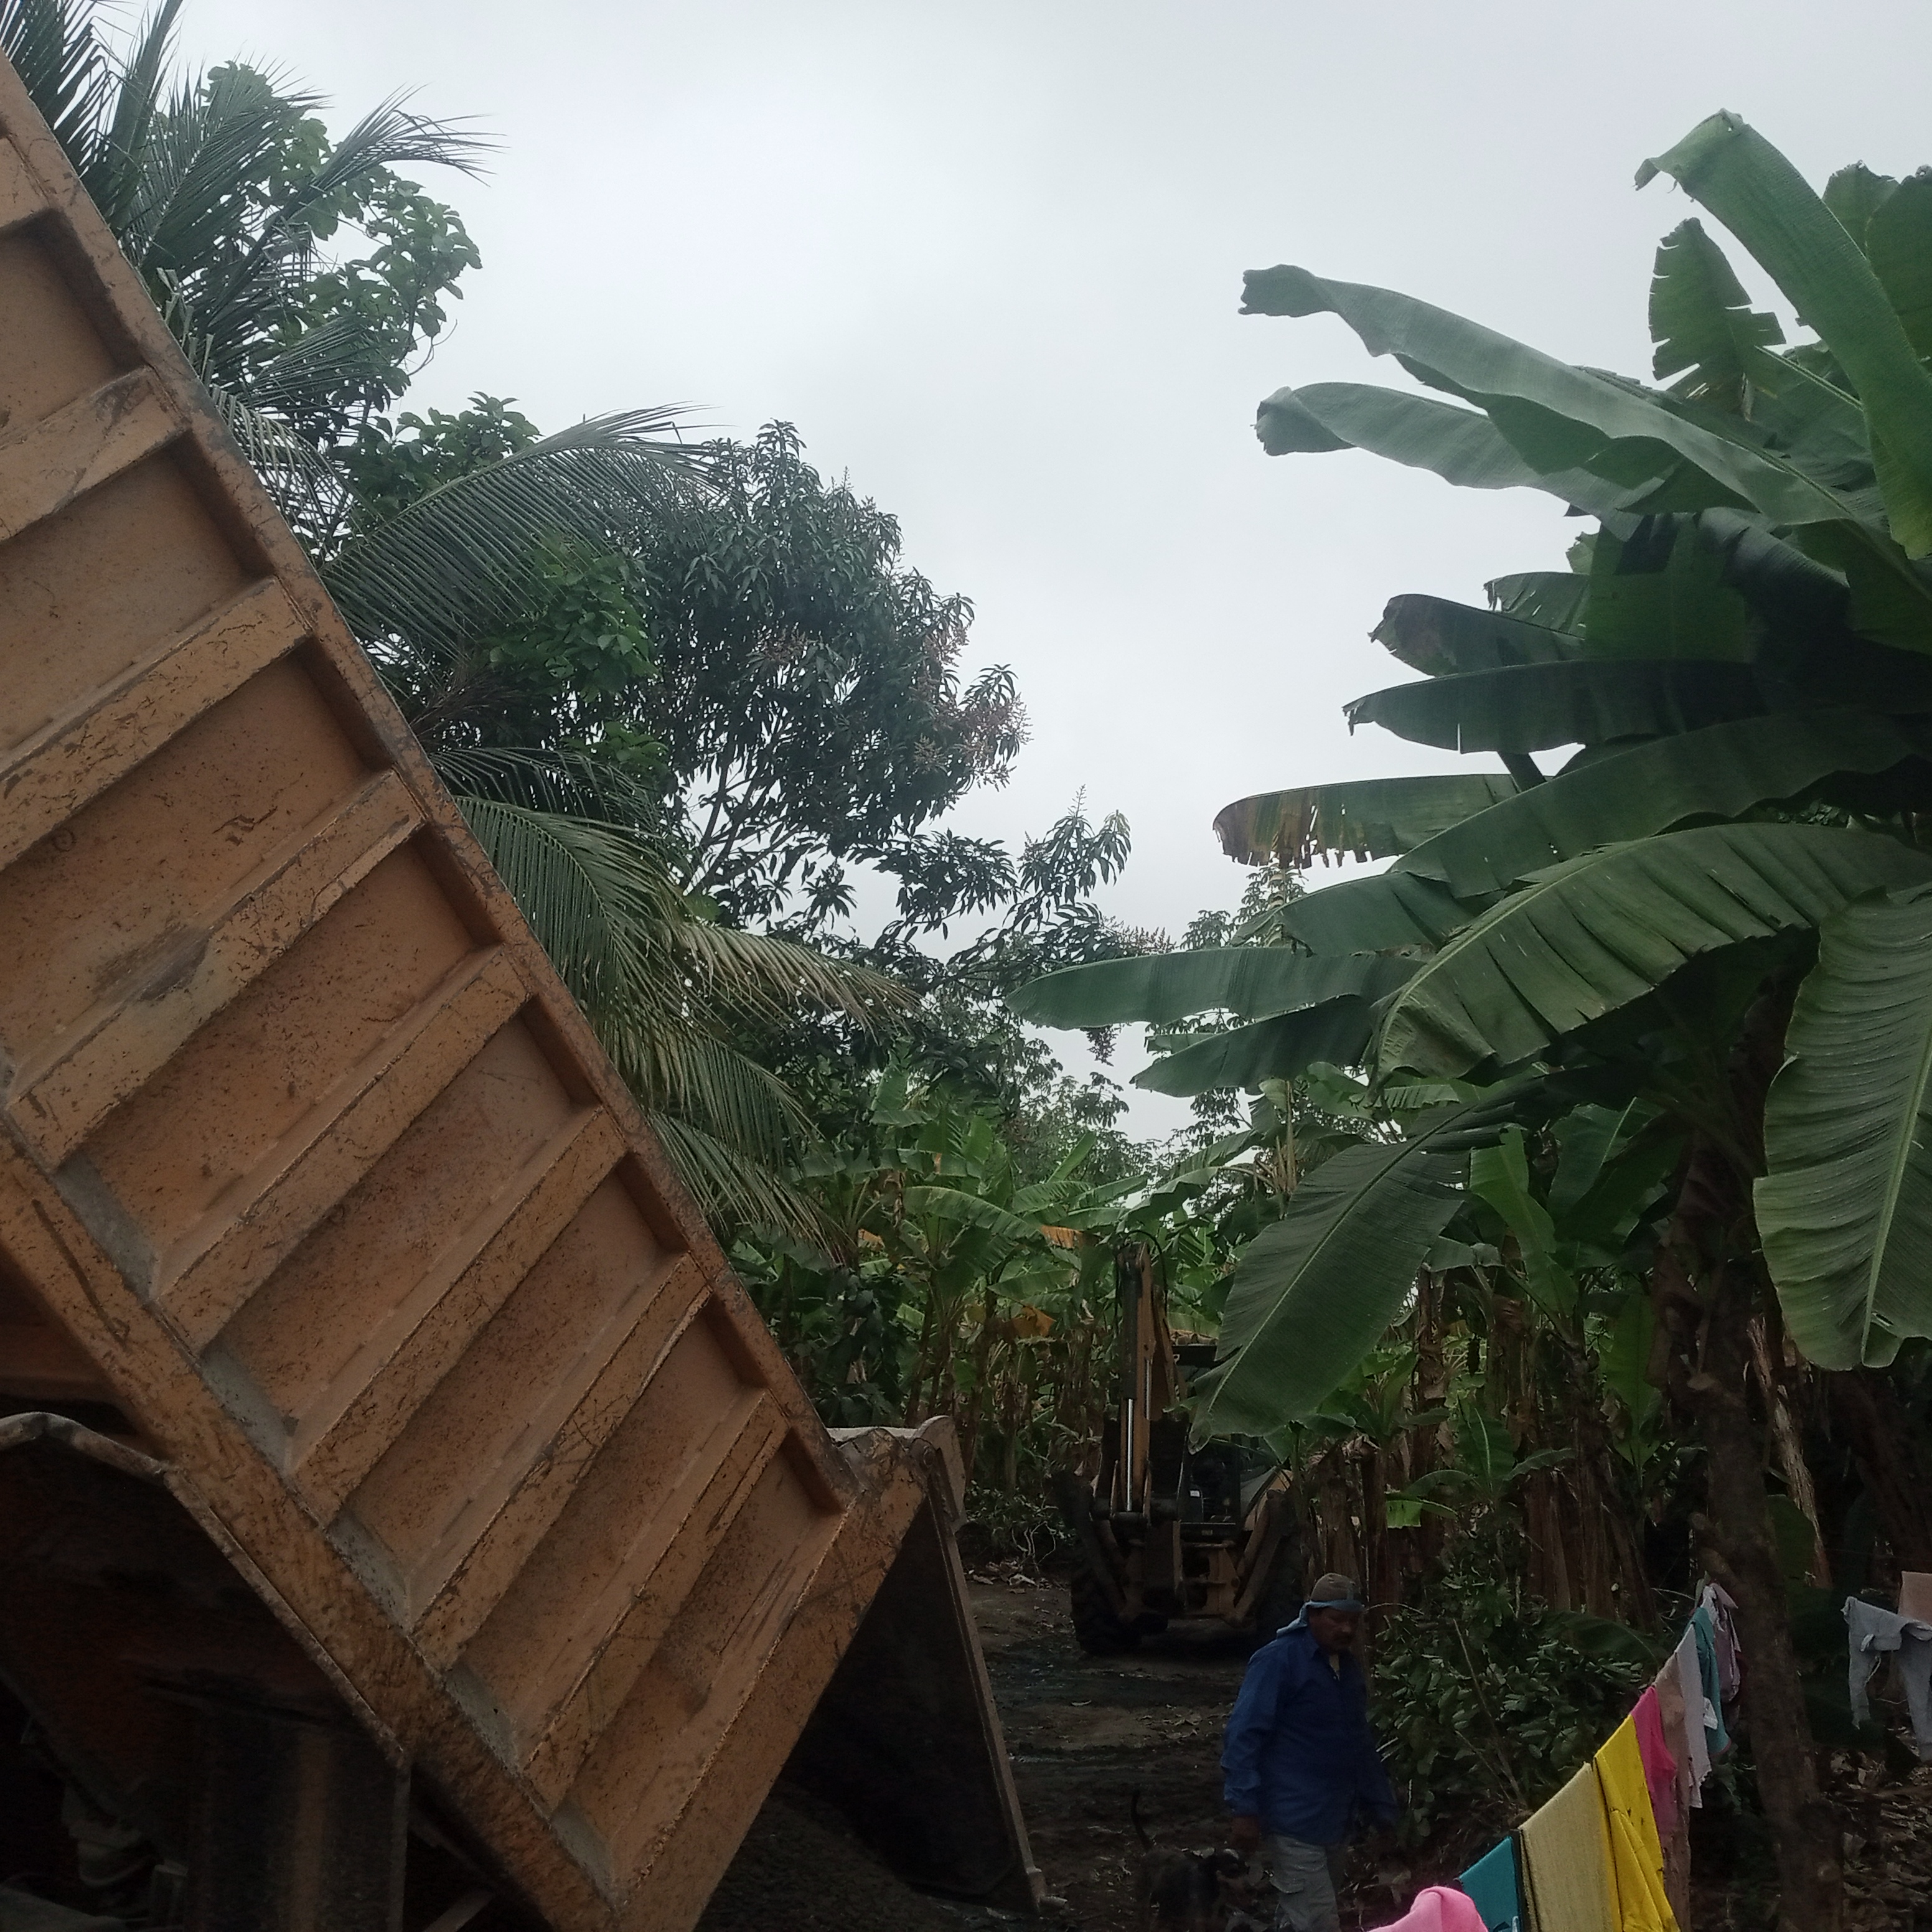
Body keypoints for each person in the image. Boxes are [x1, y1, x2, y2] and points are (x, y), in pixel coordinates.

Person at [1221, 1572, 1399, 1932]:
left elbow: (1360, 1745)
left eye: (1353, 1621)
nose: (1346, 1629)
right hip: (1293, 1819)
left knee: (1300, 1917)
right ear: (1313, 1615)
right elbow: (1244, 1735)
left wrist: (1383, 1811)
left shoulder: (1347, 1670)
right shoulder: (1278, 1661)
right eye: (1336, 1619)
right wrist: (1244, 1808)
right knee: (1319, 1922)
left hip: (1334, 1821)